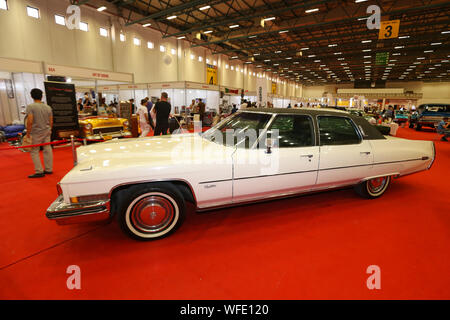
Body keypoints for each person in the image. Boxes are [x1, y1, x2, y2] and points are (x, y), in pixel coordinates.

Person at [25, 88, 53, 178]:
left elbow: (30, 121)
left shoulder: (30, 107)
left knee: (34, 151)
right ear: (41, 96)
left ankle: (39, 171)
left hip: (36, 132)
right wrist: (49, 130)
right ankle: (49, 169)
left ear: (32, 96)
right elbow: (51, 121)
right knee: (47, 149)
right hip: (46, 131)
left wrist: (28, 133)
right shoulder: (48, 107)